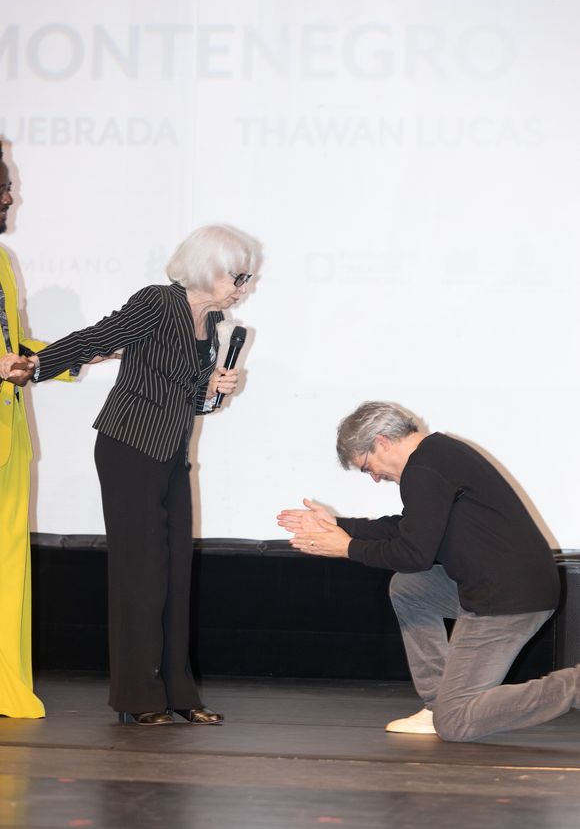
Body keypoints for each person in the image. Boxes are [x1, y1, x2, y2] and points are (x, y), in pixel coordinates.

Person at [9, 224, 261, 726]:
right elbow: (98, 337)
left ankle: (179, 691)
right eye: (239, 275)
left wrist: (214, 389)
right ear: (209, 269)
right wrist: (37, 364)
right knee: (139, 576)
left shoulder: (210, 326)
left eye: (247, 277)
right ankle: (138, 697)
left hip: (170, 452)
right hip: (129, 447)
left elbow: (190, 400)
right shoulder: (157, 302)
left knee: (174, 571)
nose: (244, 286)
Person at [278, 401, 580, 743]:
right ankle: (438, 703)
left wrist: (346, 547)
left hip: (508, 599)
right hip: (505, 585)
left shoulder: (424, 469)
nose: (375, 477)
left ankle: (573, 686)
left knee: (456, 724)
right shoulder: (436, 456)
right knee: (411, 589)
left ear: (381, 441)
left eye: (367, 467)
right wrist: (338, 524)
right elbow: (408, 529)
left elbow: (413, 554)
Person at [0, 141, 79, 718]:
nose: (11, 197)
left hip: (9, 433)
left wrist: (80, 353)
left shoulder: (3, 260)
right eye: (5, 187)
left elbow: (13, 346)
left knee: (8, 570)